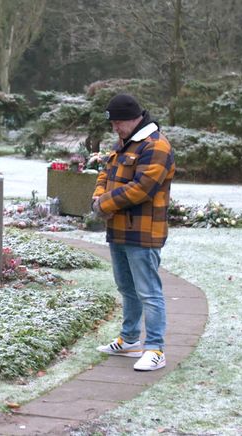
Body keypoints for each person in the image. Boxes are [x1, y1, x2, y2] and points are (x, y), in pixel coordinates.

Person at [91, 94, 175, 371]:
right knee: (127, 288)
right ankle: (128, 340)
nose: (115, 128)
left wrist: (103, 204)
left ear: (133, 119)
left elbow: (142, 188)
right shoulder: (127, 142)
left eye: (118, 123)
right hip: (118, 229)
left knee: (148, 292)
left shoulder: (156, 146)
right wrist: (98, 195)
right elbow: (106, 173)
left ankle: (155, 349)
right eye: (113, 123)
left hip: (144, 232)